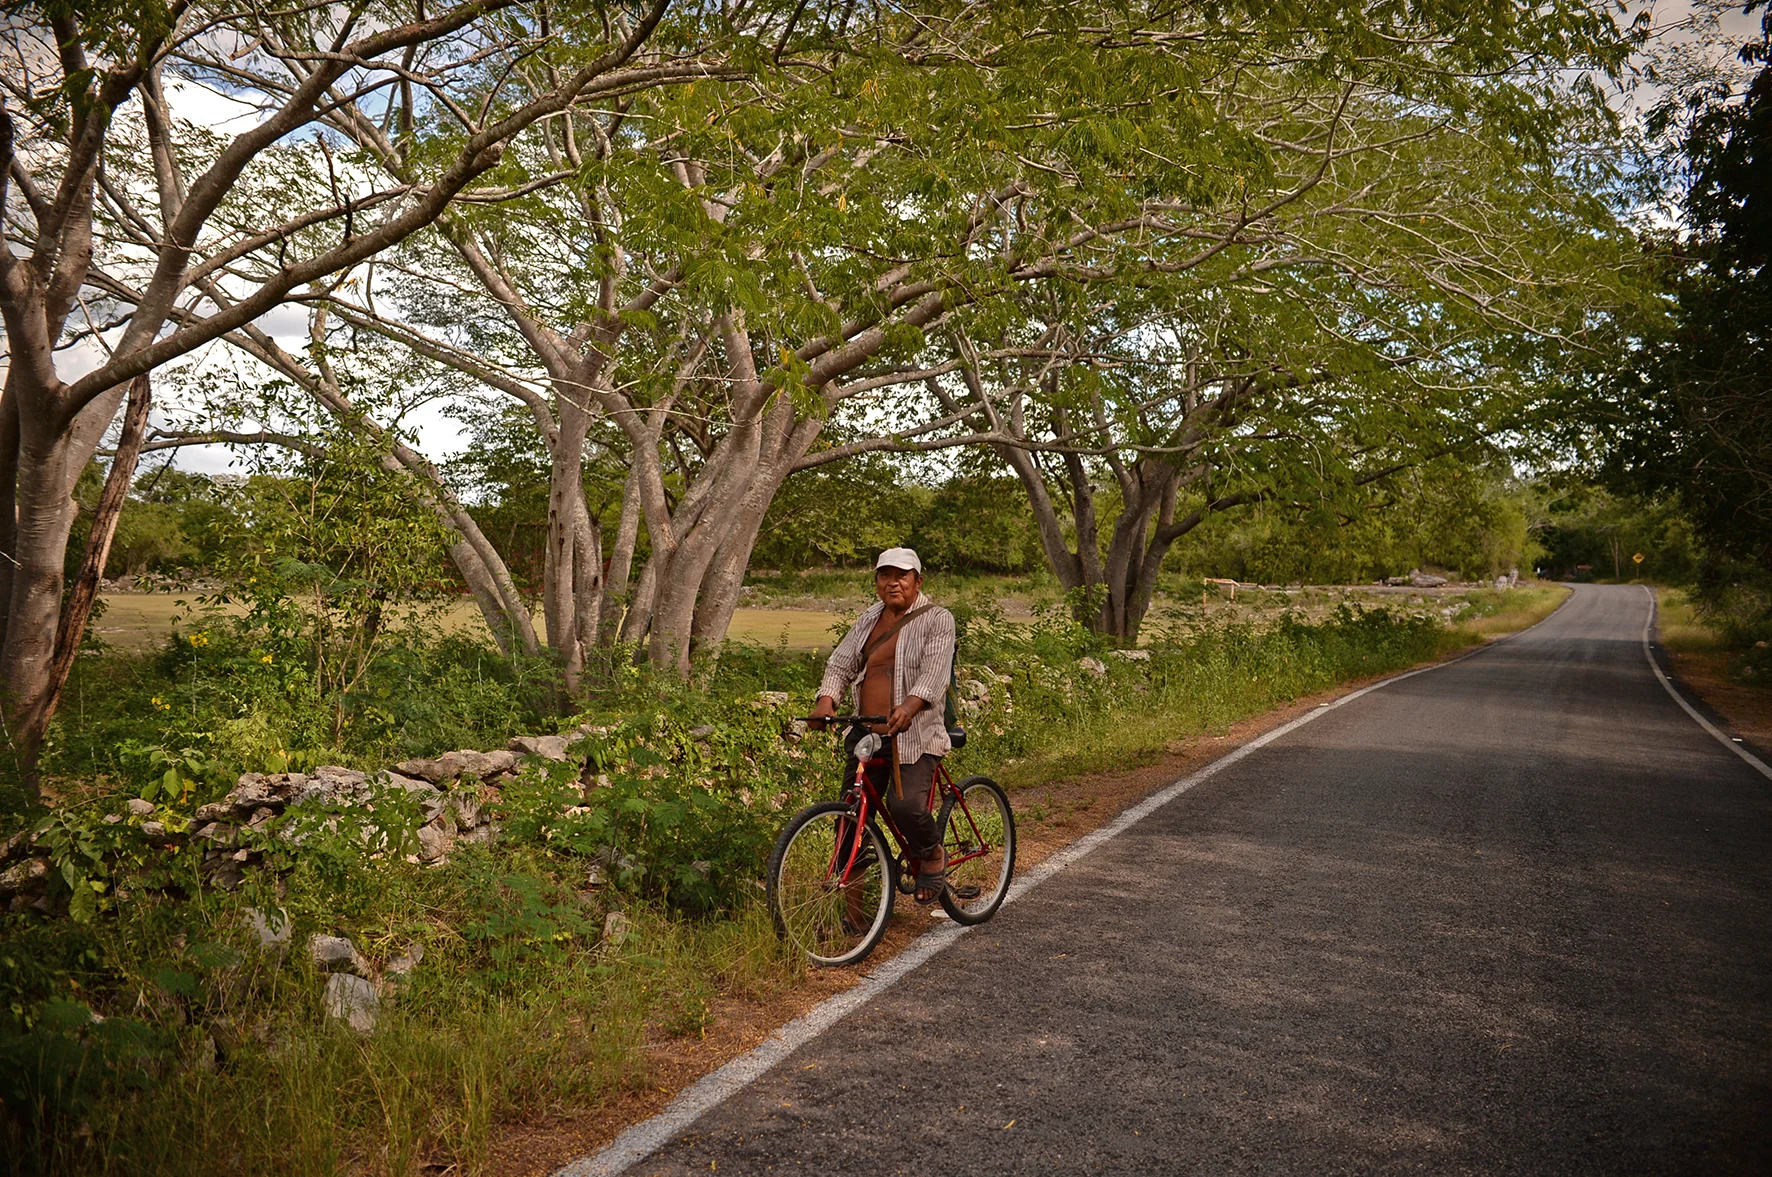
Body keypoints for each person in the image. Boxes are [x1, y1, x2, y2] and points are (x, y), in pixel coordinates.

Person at [809, 547, 957, 903]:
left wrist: (909, 705)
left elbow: (935, 675)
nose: (893, 583)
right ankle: (855, 914)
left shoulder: (937, 619)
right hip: (866, 734)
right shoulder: (869, 619)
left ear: (917, 581)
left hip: (914, 735)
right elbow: (840, 664)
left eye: (901, 575)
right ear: (876, 582)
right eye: (885, 575)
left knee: (905, 807)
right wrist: (826, 699)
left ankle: (932, 854)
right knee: (850, 819)